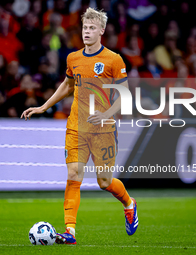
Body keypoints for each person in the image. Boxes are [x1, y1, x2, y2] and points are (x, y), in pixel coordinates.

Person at [21, 8, 139, 245]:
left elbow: (125, 97)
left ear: (102, 31)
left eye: (92, 28)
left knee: (104, 182)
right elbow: (67, 85)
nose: (87, 31)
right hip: (76, 126)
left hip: (103, 129)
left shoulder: (114, 60)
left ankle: (129, 203)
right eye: (85, 27)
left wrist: (105, 114)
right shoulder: (73, 58)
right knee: (74, 174)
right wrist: (44, 107)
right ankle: (70, 232)